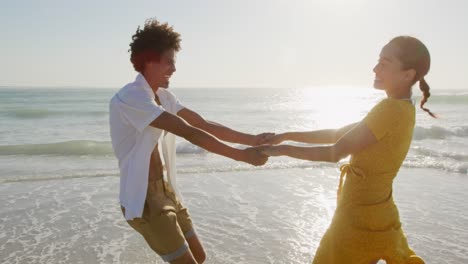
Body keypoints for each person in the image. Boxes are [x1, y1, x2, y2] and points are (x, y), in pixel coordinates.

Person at [257, 36, 434, 264]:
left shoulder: (389, 109)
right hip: (380, 211)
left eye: (384, 63)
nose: (374, 68)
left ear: (407, 74)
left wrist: (279, 151)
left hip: (358, 218)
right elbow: (339, 133)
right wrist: (285, 136)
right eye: (377, 61)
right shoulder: (402, 108)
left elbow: (335, 152)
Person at [109, 18, 271, 264]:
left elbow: (202, 124)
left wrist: (251, 139)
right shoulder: (131, 98)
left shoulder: (162, 96)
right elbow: (189, 133)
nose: (174, 68)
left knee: (200, 257)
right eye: (169, 61)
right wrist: (242, 156)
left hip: (166, 192)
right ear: (149, 60)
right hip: (144, 202)